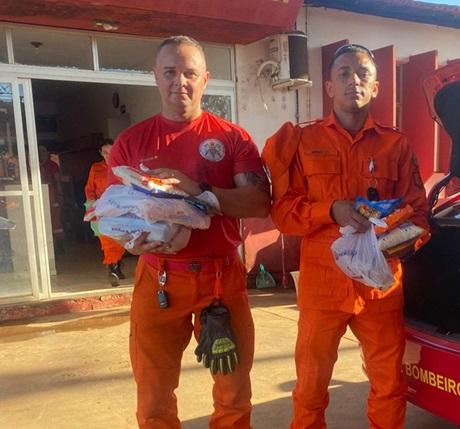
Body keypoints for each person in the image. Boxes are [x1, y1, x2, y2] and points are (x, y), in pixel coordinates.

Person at [262, 44, 429, 428]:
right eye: (344, 74)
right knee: (310, 388)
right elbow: (283, 213)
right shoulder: (303, 142)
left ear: (376, 87)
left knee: (389, 385)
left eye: (363, 74)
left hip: (380, 284)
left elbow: (418, 215)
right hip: (323, 287)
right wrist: (330, 210)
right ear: (329, 87)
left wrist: (396, 242)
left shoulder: (397, 144)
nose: (354, 80)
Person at [107, 35, 270, 429]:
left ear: (205, 79)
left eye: (189, 73)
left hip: (221, 278)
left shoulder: (233, 138)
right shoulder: (131, 142)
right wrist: (129, 240)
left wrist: (198, 191)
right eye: (170, 72)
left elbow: (260, 203)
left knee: (233, 392)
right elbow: (114, 213)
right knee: (153, 394)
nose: (179, 81)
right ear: (156, 77)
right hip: (157, 278)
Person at [84, 139, 126, 286]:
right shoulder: (96, 168)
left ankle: (117, 266)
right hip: (101, 208)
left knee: (120, 238)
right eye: (105, 152)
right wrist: (92, 206)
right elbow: (89, 188)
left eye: (111, 151)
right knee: (106, 239)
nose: (108, 155)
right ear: (101, 153)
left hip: (120, 208)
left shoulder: (123, 167)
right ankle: (112, 269)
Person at [39, 144, 65, 255]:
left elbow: (58, 180)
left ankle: (59, 246)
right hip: (41, 196)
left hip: (53, 194)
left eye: (43, 151)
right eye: (40, 151)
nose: (41, 153)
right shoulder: (36, 165)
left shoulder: (52, 165)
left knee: (56, 221)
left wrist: (60, 194)